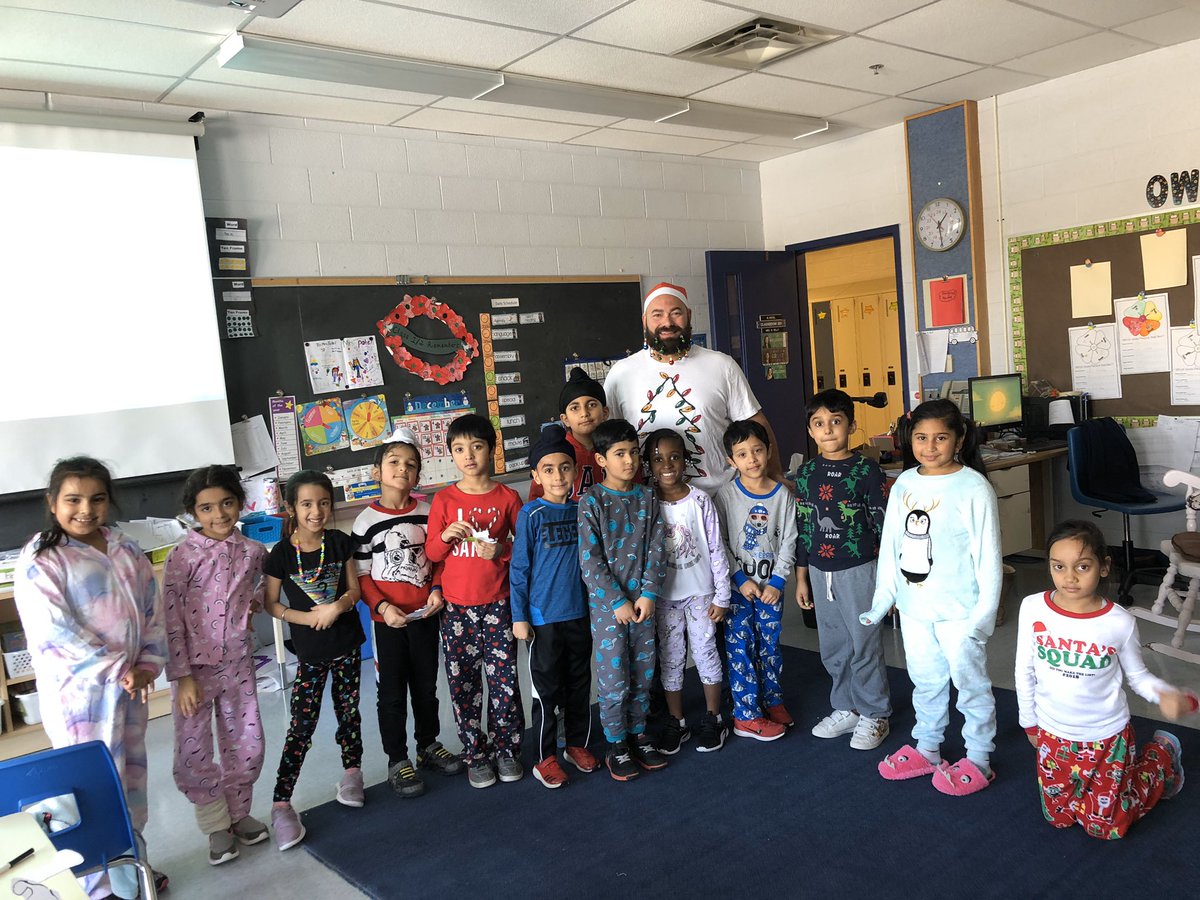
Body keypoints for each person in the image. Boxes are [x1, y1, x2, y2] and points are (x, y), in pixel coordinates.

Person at [14, 456, 168, 899]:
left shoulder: (123, 546)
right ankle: (97, 886)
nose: (86, 509)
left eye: (97, 499)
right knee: (88, 789)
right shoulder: (42, 559)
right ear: (51, 502)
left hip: (131, 690)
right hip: (79, 699)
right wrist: (120, 670)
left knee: (131, 784)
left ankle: (131, 870)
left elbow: (150, 611)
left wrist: (146, 666)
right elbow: (53, 632)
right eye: (73, 499)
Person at [861, 399, 1001, 795]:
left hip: (960, 611)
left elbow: (988, 557)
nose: (930, 446)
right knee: (925, 681)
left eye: (941, 437)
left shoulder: (973, 487)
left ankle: (978, 757)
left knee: (970, 683)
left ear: (959, 440)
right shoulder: (905, 483)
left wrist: (982, 618)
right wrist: (883, 600)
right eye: (921, 437)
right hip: (915, 609)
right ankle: (928, 747)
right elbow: (892, 547)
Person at [1017, 519, 1190, 839]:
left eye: (1082, 566)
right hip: (1052, 735)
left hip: (1107, 738)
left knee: (1105, 828)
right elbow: (1023, 670)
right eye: (1058, 566)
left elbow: (1137, 676)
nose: (1068, 577)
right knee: (1058, 818)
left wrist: (1165, 694)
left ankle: (1160, 757)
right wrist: (1029, 723)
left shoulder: (1119, 622)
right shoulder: (1032, 608)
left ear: (1104, 567)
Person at [163, 465, 269, 866]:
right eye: (207, 508)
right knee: (194, 750)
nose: (219, 514)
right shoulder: (182, 557)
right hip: (194, 671)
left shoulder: (253, 552)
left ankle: (239, 813)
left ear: (240, 504)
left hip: (239, 664)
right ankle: (214, 825)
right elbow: (171, 619)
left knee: (247, 741)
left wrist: (255, 601)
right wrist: (182, 676)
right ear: (194, 512)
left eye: (227, 503)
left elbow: (263, 586)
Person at [351, 429, 462, 802]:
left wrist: (436, 589)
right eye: (394, 462)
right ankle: (397, 759)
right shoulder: (364, 522)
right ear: (377, 470)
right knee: (392, 693)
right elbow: (363, 575)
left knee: (427, 687)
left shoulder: (429, 511)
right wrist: (382, 608)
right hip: (388, 622)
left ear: (418, 476)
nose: (402, 469)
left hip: (426, 615)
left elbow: (439, 558)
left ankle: (427, 744)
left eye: (411, 465)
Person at [604, 281, 785, 495]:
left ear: (689, 315)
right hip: (646, 503)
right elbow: (607, 439)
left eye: (676, 313)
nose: (667, 322)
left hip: (719, 498)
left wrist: (775, 479)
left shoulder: (721, 365)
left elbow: (756, 424)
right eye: (657, 315)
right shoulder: (621, 373)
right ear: (644, 320)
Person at [264, 470, 364, 851]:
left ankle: (352, 772)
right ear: (291, 508)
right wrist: (308, 618)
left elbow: (354, 588)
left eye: (324, 503)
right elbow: (270, 603)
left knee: (349, 713)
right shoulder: (281, 554)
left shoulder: (339, 543)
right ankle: (281, 802)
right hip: (310, 654)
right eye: (306, 504)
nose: (316, 511)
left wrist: (338, 606)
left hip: (347, 645)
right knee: (301, 726)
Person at [425, 413, 524, 789]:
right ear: (451, 453)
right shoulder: (444, 500)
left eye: (477, 447)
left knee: (504, 682)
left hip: (498, 605)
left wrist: (500, 549)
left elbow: (522, 549)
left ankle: (508, 749)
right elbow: (433, 554)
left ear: (491, 451)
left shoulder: (507, 497)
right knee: (463, 684)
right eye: (460, 449)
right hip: (456, 611)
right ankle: (475, 754)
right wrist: (446, 535)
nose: (469, 455)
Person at [793, 389, 891, 751]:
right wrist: (802, 576)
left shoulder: (867, 471)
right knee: (833, 645)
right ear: (810, 429)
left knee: (864, 644)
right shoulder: (805, 474)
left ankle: (875, 712)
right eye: (819, 423)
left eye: (836, 422)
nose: (828, 430)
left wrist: (887, 580)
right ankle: (847, 706)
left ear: (851, 425)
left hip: (860, 569)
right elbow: (804, 528)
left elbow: (883, 526)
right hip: (820, 571)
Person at [578, 419, 670, 780]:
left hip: (644, 605)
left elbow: (657, 549)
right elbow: (590, 560)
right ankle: (616, 742)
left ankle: (638, 733)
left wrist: (648, 593)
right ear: (601, 459)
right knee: (614, 675)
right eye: (620, 454)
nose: (629, 461)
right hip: (609, 610)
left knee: (643, 674)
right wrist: (617, 601)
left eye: (633, 452)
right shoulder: (592, 502)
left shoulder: (647, 497)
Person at [510, 425, 599, 788]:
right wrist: (519, 616)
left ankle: (576, 743)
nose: (558, 475)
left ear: (576, 472)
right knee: (546, 693)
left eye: (565, 467)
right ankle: (544, 756)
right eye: (548, 469)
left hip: (579, 614)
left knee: (579, 684)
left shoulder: (583, 510)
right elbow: (520, 569)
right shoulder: (531, 514)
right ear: (535, 475)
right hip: (544, 619)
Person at [645, 428, 731, 754]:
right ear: (648, 465)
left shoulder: (700, 501)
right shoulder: (647, 501)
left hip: (701, 594)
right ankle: (676, 721)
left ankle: (713, 716)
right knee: (669, 657)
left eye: (674, 457)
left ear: (685, 461)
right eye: (657, 459)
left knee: (706, 650)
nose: (667, 465)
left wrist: (722, 595)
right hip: (664, 597)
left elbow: (716, 548)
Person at [714, 420, 797, 742]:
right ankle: (746, 713)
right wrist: (738, 578)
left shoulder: (782, 496)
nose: (752, 459)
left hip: (771, 590)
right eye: (743, 454)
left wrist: (777, 581)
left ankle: (773, 700)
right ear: (731, 461)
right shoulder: (725, 495)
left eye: (758, 450)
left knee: (770, 647)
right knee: (740, 649)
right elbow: (718, 541)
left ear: (769, 451)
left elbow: (789, 540)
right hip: (738, 592)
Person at [529, 366, 608, 501]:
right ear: (565, 419)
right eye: (575, 408)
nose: (584, 413)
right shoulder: (553, 453)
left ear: (605, 413)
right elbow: (537, 502)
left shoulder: (616, 449)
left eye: (592, 405)